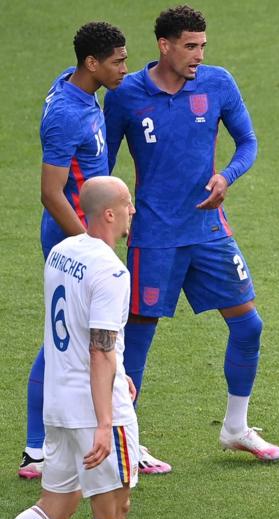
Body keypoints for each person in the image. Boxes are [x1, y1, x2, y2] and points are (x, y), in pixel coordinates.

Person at [103, 4, 279, 471]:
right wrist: (111, 218)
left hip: (208, 232)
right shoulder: (125, 95)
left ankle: (236, 428)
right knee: (136, 339)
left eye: (202, 45)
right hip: (155, 237)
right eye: (190, 46)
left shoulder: (218, 83)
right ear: (163, 45)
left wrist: (227, 176)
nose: (199, 55)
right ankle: (129, 440)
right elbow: (101, 165)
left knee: (249, 326)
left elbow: (248, 142)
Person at [0, 176, 138, 519]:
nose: (132, 209)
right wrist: (105, 420)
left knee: (55, 506)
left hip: (57, 404)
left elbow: (79, 330)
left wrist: (120, 371)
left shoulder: (60, 253)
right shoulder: (112, 272)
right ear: (109, 213)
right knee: (113, 512)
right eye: (127, 203)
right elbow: (99, 348)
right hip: (94, 406)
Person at [19, 21, 129, 480]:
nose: (124, 68)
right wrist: (86, 242)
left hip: (87, 229)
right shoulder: (66, 111)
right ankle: (36, 447)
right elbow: (51, 191)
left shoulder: (78, 85)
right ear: (92, 63)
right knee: (64, 338)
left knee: (76, 335)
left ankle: (51, 440)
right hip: (73, 232)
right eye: (117, 61)